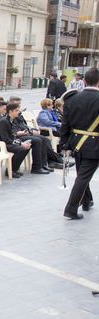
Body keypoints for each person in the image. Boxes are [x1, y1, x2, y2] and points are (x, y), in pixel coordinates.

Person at [60, 67, 99, 220]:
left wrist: (64, 143)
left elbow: (65, 124)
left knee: (82, 174)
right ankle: (71, 209)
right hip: (94, 144)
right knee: (83, 177)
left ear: (83, 81)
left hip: (76, 143)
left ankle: (87, 200)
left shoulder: (72, 99)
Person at [0, 102, 32, 178]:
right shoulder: (4, 121)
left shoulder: (10, 120)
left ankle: (13, 169)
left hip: (5, 142)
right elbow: (6, 139)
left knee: (26, 147)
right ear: (10, 111)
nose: (18, 112)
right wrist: (21, 144)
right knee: (21, 148)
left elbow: (11, 136)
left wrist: (21, 142)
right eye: (16, 110)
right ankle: (10, 171)